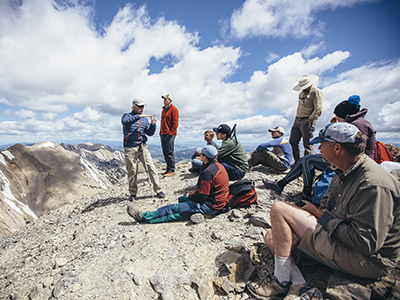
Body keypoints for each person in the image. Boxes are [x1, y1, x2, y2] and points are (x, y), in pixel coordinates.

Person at [247, 122, 400, 300]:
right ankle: (298, 282)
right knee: (272, 237)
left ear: (337, 148)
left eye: (322, 144)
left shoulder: (373, 185)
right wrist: (303, 234)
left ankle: (281, 281)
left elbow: (366, 243)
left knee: (279, 208)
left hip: (369, 260)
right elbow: (327, 207)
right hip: (339, 238)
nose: (318, 148)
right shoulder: (343, 171)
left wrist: (320, 217)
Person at [126, 145, 229, 224]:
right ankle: (188, 209)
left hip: (210, 206)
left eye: (201, 154)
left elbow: (203, 196)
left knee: (172, 210)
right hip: (216, 201)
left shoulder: (208, 172)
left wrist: (191, 196)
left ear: (205, 157)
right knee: (182, 199)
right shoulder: (218, 166)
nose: (199, 156)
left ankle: (144, 217)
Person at [121, 99, 165, 201]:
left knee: (151, 167)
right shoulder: (127, 116)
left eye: (143, 107)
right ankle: (133, 193)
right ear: (133, 106)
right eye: (139, 106)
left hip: (142, 147)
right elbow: (125, 123)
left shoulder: (144, 120)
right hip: (130, 148)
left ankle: (158, 190)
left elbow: (149, 133)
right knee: (132, 171)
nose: (142, 108)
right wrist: (138, 117)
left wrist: (153, 125)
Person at [289, 75, 323, 164]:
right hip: (297, 119)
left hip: (307, 120)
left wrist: (310, 120)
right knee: (293, 141)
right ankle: (298, 162)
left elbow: (318, 108)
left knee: (307, 144)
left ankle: (307, 165)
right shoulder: (301, 94)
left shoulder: (316, 92)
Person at [331, 95, 376, 159]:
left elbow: (359, 150)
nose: (336, 118)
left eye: (337, 116)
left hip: (359, 162)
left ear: (344, 115)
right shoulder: (358, 122)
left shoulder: (357, 125)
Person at [160, 94, 179, 177]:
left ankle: (172, 170)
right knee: (165, 152)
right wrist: (161, 132)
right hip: (163, 133)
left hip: (169, 134)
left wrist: (171, 133)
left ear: (170, 100)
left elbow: (175, 123)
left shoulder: (174, 109)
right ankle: (168, 169)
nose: (164, 100)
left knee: (169, 152)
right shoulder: (164, 110)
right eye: (164, 99)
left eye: (166, 99)